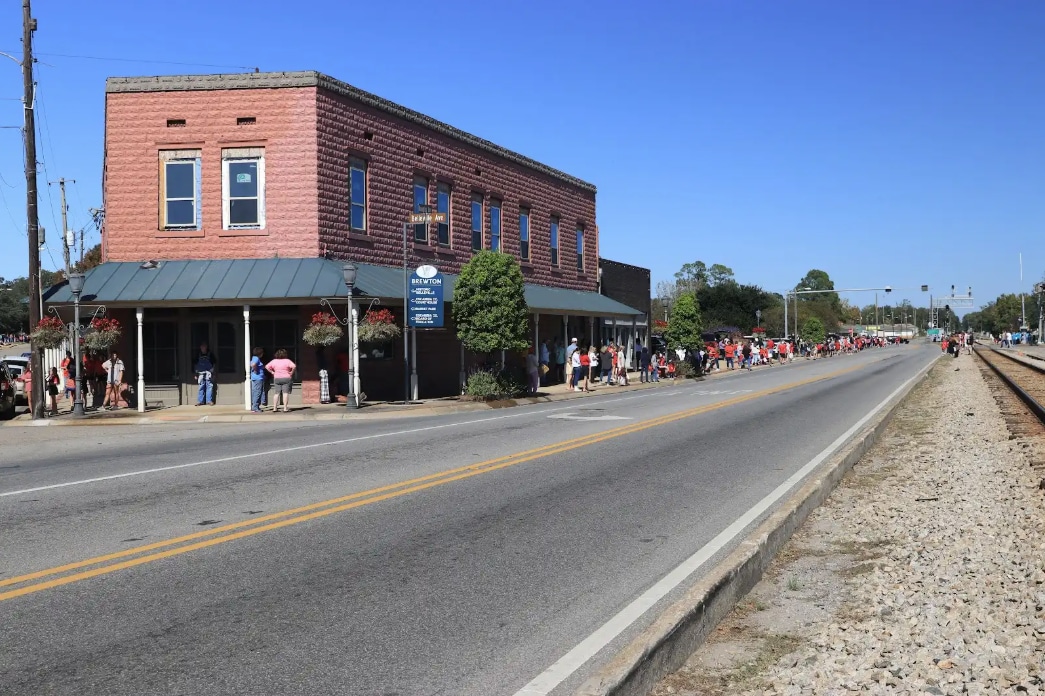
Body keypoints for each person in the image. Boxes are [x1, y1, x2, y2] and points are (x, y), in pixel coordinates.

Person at [249, 347, 266, 413]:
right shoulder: (256, 358)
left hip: (255, 378)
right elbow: (253, 364)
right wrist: (256, 370)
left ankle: (255, 406)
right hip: (258, 378)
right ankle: (255, 407)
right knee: (258, 392)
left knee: (255, 392)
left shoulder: (254, 358)